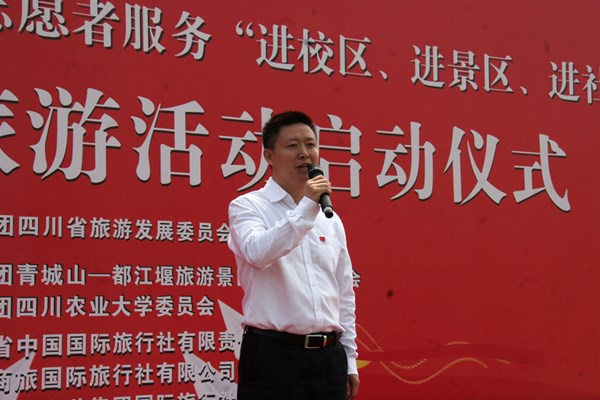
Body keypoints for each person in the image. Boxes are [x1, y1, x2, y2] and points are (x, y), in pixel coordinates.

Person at [227, 110, 360, 400]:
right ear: (269, 156)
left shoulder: (330, 218)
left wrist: (349, 358)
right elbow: (257, 252)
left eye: (310, 144)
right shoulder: (247, 207)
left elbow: (343, 292)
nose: (305, 153)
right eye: (292, 145)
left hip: (329, 357)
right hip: (273, 358)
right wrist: (307, 208)